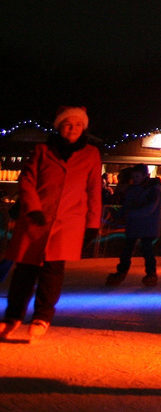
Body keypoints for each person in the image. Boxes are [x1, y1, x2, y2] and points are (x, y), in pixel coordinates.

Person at [2, 106, 103, 343]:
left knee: (52, 271)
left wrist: (92, 224)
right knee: (25, 271)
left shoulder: (91, 154)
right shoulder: (42, 150)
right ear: (59, 126)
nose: (73, 129)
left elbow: (93, 191)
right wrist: (33, 208)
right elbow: (26, 180)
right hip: (36, 219)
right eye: (68, 124)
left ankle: (42, 317)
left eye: (78, 125)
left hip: (68, 222)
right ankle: (13, 317)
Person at [108, 165, 161, 287]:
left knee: (147, 251)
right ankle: (121, 272)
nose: (135, 179)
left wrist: (130, 214)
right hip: (134, 225)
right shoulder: (132, 189)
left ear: (145, 176)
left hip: (148, 226)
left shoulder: (153, 190)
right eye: (133, 176)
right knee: (126, 251)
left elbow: (149, 208)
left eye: (137, 176)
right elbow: (127, 206)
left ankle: (151, 273)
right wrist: (117, 215)